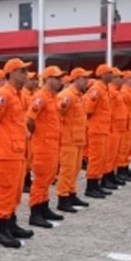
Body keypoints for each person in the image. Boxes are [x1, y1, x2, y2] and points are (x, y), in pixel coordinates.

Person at [0, 58, 34, 248]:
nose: (26, 75)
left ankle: (11, 222)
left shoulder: (17, 94)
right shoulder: (4, 95)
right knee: (6, 191)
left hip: (18, 150)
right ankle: (1, 229)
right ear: (12, 73)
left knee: (15, 192)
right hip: (6, 152)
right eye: (22, 71)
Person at [26, 66, 65, 227]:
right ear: (48, 79)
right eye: (56, 78)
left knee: (48, 178)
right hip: (43, 145)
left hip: (52, 144)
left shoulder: (53, 97)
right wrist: (38, 135)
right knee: (41, 180)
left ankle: (44, 207)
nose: (59, 81)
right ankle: (35, 212)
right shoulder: (41, 97)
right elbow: (29, 119)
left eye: (60, 78)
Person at [56, 68, 92, 212]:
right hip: (68, 140)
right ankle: (63, 197)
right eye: (84, 78)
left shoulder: (78, 96)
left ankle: (71, 193)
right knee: (67, 170)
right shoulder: (67, 96)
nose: (86, 81)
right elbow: (58, 115)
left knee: (75, 169)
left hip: (77, 139)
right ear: (76, 79)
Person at [84, 64, 114, 198]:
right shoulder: (96, 90)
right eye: (109, 72)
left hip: (103, 129)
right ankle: (91, 186)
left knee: (101, 158)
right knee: (96, 158)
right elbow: (88, 110)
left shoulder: (104, 89)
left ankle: (97, 184)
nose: (112, 75)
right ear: (102, 74)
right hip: (96, 129)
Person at [104, 68, 127, 190]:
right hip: (111, 127)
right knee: (109, 154)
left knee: (114, 154)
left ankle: (111, 175)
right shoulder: (110, 91)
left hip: (118, 127)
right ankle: (106, 177)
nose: (123, 80)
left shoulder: (116, 91)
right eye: (121, 77)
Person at [117, 71, 131, 181]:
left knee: (128, 148)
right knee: (124, 148)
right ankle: (122, 170)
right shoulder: (124, 92)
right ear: (127, 79)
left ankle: (125, 168)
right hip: (126, 125)